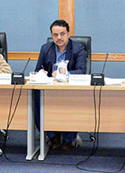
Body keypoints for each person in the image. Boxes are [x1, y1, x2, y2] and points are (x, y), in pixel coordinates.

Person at [31, 20, 87, 150]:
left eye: (62, 34)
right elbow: (38, 68)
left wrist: (65, 74)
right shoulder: (46, 48)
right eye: (55, 35)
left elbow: (82, 71)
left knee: (72, 101)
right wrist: (42, 72)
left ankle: (69, 138)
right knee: (37, 95)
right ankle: (51, 135)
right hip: (50, 90)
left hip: (70, 89)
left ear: (68, 33)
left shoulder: (78, 48)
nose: (59, 38)